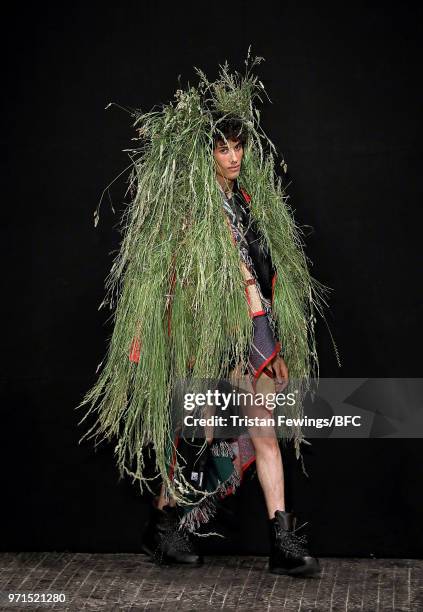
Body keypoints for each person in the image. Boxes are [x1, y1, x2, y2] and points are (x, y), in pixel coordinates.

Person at [76, 54, 332, 577]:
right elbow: (181, 279)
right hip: (211, 332)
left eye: (239, 147)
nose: (234, 156)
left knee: (263, 427)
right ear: (206, 154)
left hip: (256, 327)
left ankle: (281, 539)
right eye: (224, 148)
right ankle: (164, 521)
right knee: (204, 433)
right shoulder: (192, 213)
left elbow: (262, 274)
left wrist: (270, 329)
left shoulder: (247, 204)